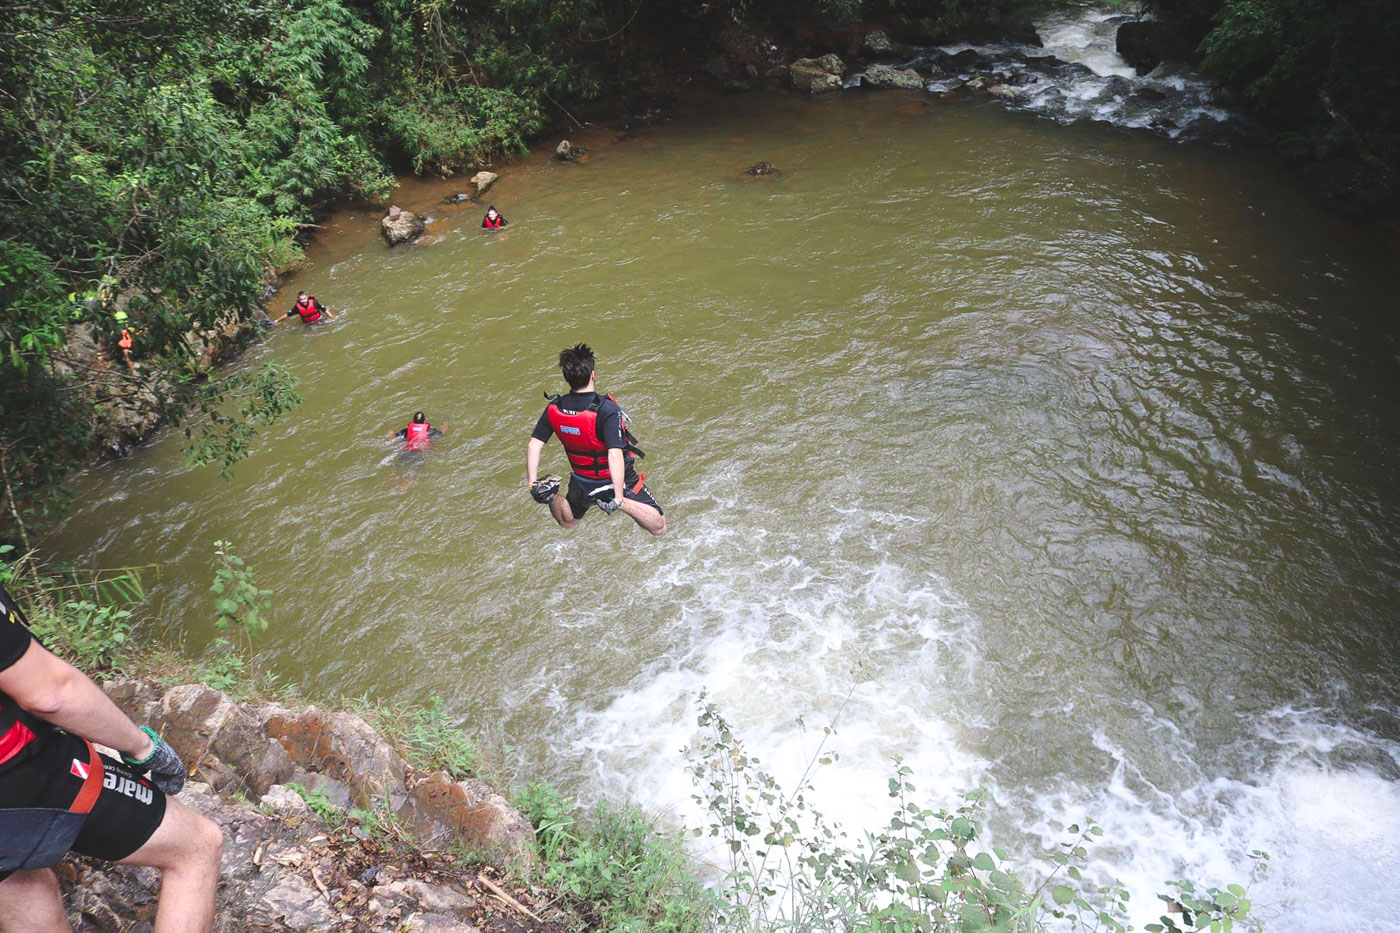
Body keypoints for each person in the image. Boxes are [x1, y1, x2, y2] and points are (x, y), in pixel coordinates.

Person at [0, 583, 222, 932]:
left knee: (21, 879)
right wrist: (143, 749)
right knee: (196, 845)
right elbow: (51, 693)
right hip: (14, 772)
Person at [525, 343, 666, 536]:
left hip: (583, 480)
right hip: (615, 481)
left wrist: (533, 484)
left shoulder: (554, 409)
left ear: (567, 379)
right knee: (659, 527)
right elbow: (614, 454)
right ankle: (619, 502)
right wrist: (618, 498)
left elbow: (534, 445)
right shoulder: (606, 409)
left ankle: (550, 495)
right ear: (593, 374)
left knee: (568, 521)